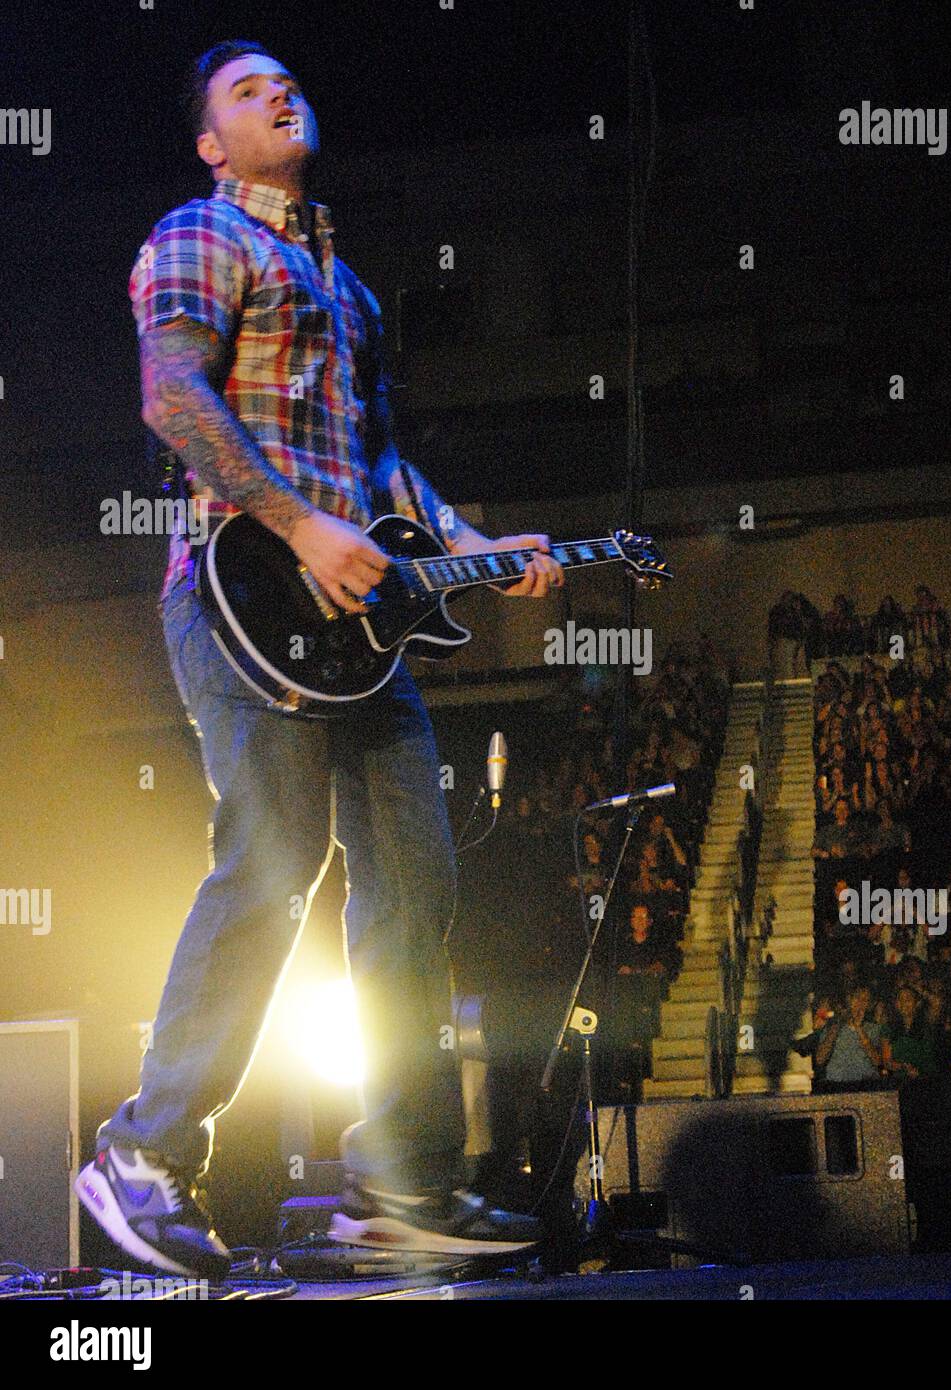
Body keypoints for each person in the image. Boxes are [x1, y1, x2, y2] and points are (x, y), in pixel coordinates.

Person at [75, 40, 566, 1280]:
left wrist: (470, 542)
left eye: (287, 80)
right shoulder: (199, 233)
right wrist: (297, 523)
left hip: (357, 629)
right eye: (247, 90)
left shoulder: (340, 282)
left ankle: (402, 1180)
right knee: (276, 858)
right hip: (242, 594)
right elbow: (173, 400)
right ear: (209, 140)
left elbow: (382, 469)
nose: (279, 93)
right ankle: (144, 1151)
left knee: (414, 884)